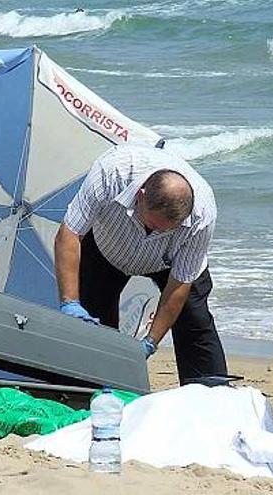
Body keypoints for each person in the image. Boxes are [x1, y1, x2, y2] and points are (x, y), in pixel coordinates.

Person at [54, 144, 227, 384]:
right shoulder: (112, 172)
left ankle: (210, 394)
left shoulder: (203, 213)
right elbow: (70, 233)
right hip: (108, 246)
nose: (156, 233)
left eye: (168, 230)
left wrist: (151, 341)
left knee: (195, 323)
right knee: (94, 327)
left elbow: (181, 282)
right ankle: (93, 391)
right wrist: (70, 302)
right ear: (141, 195)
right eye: (154, 226)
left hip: (169, 260)